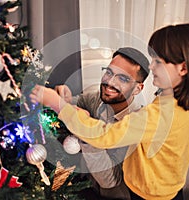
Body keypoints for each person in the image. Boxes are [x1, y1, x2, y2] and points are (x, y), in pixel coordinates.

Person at [30, 23, 189, 199]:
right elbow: (82, 102)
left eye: (158, 62)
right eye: (109, 72)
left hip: (149, 195)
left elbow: (103, 136)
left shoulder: (159, 115)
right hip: (160, 188)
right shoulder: (173, 100)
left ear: (183, 68)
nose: (151, 67)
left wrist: (58, 105)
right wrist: (67, 101)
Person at [54, 47, 149, 200]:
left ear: (138, 88)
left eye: (123, 79)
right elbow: (72, 104)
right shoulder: (96, 99)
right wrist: (63, 95)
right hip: (83, 187)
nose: (110, 82)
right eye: (109, 72)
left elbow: (111, 181)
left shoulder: (137, 124)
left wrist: (86, 131)